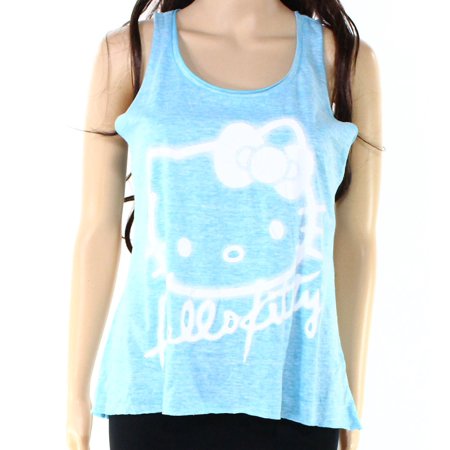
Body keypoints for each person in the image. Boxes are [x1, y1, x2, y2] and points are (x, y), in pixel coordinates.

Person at [66, 1, 383, 449]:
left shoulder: (344, 62)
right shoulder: (130, 53)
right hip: (154, 391)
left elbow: (356, 240)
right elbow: (96, 231)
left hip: (294, 395)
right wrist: (74, 397)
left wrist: (349, 398)